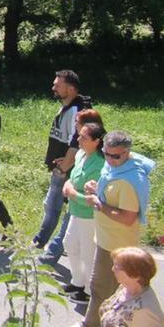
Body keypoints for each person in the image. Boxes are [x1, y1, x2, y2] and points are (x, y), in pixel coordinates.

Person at [82, 131, 156, 327]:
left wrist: (98, 203)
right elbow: (110, 194)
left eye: (116, 156)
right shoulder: (116, 168)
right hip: (106, 238)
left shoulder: (129, 180)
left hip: (116, 244)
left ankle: (90, 324)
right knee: (108, 291)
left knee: (100, 288)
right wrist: (97, 189)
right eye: (106, 154)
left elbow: (127, 217)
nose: (110, 159)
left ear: (127, 152)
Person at [36, 69, 91, 261]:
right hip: (61, 168)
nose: (53, 87)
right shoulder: (67, 106)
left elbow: (76, 144)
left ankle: (51, 253)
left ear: (71, 88)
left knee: (68, 213)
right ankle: (39, 242)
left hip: (68, 171)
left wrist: (64, 167)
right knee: (51, 206)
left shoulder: (77, 111)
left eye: (57, 85)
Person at [63, 122, 106, 305]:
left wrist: (72, 193)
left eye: (84, 137)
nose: (79, 139)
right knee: (70, 244)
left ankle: (90, 292)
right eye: (79, 135)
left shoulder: (101, 163)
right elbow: (72, 179)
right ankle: (77, 281)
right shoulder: (81, 154)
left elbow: (92, 198)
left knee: (88, 253)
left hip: (89, 216)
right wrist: (68, 186)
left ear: (96, 141)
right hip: (75, 211)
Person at [98, 247, 163, 327]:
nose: (112, 269)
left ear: (134, 275)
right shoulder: (124, 288)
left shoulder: (143, 310)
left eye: (116, 267)